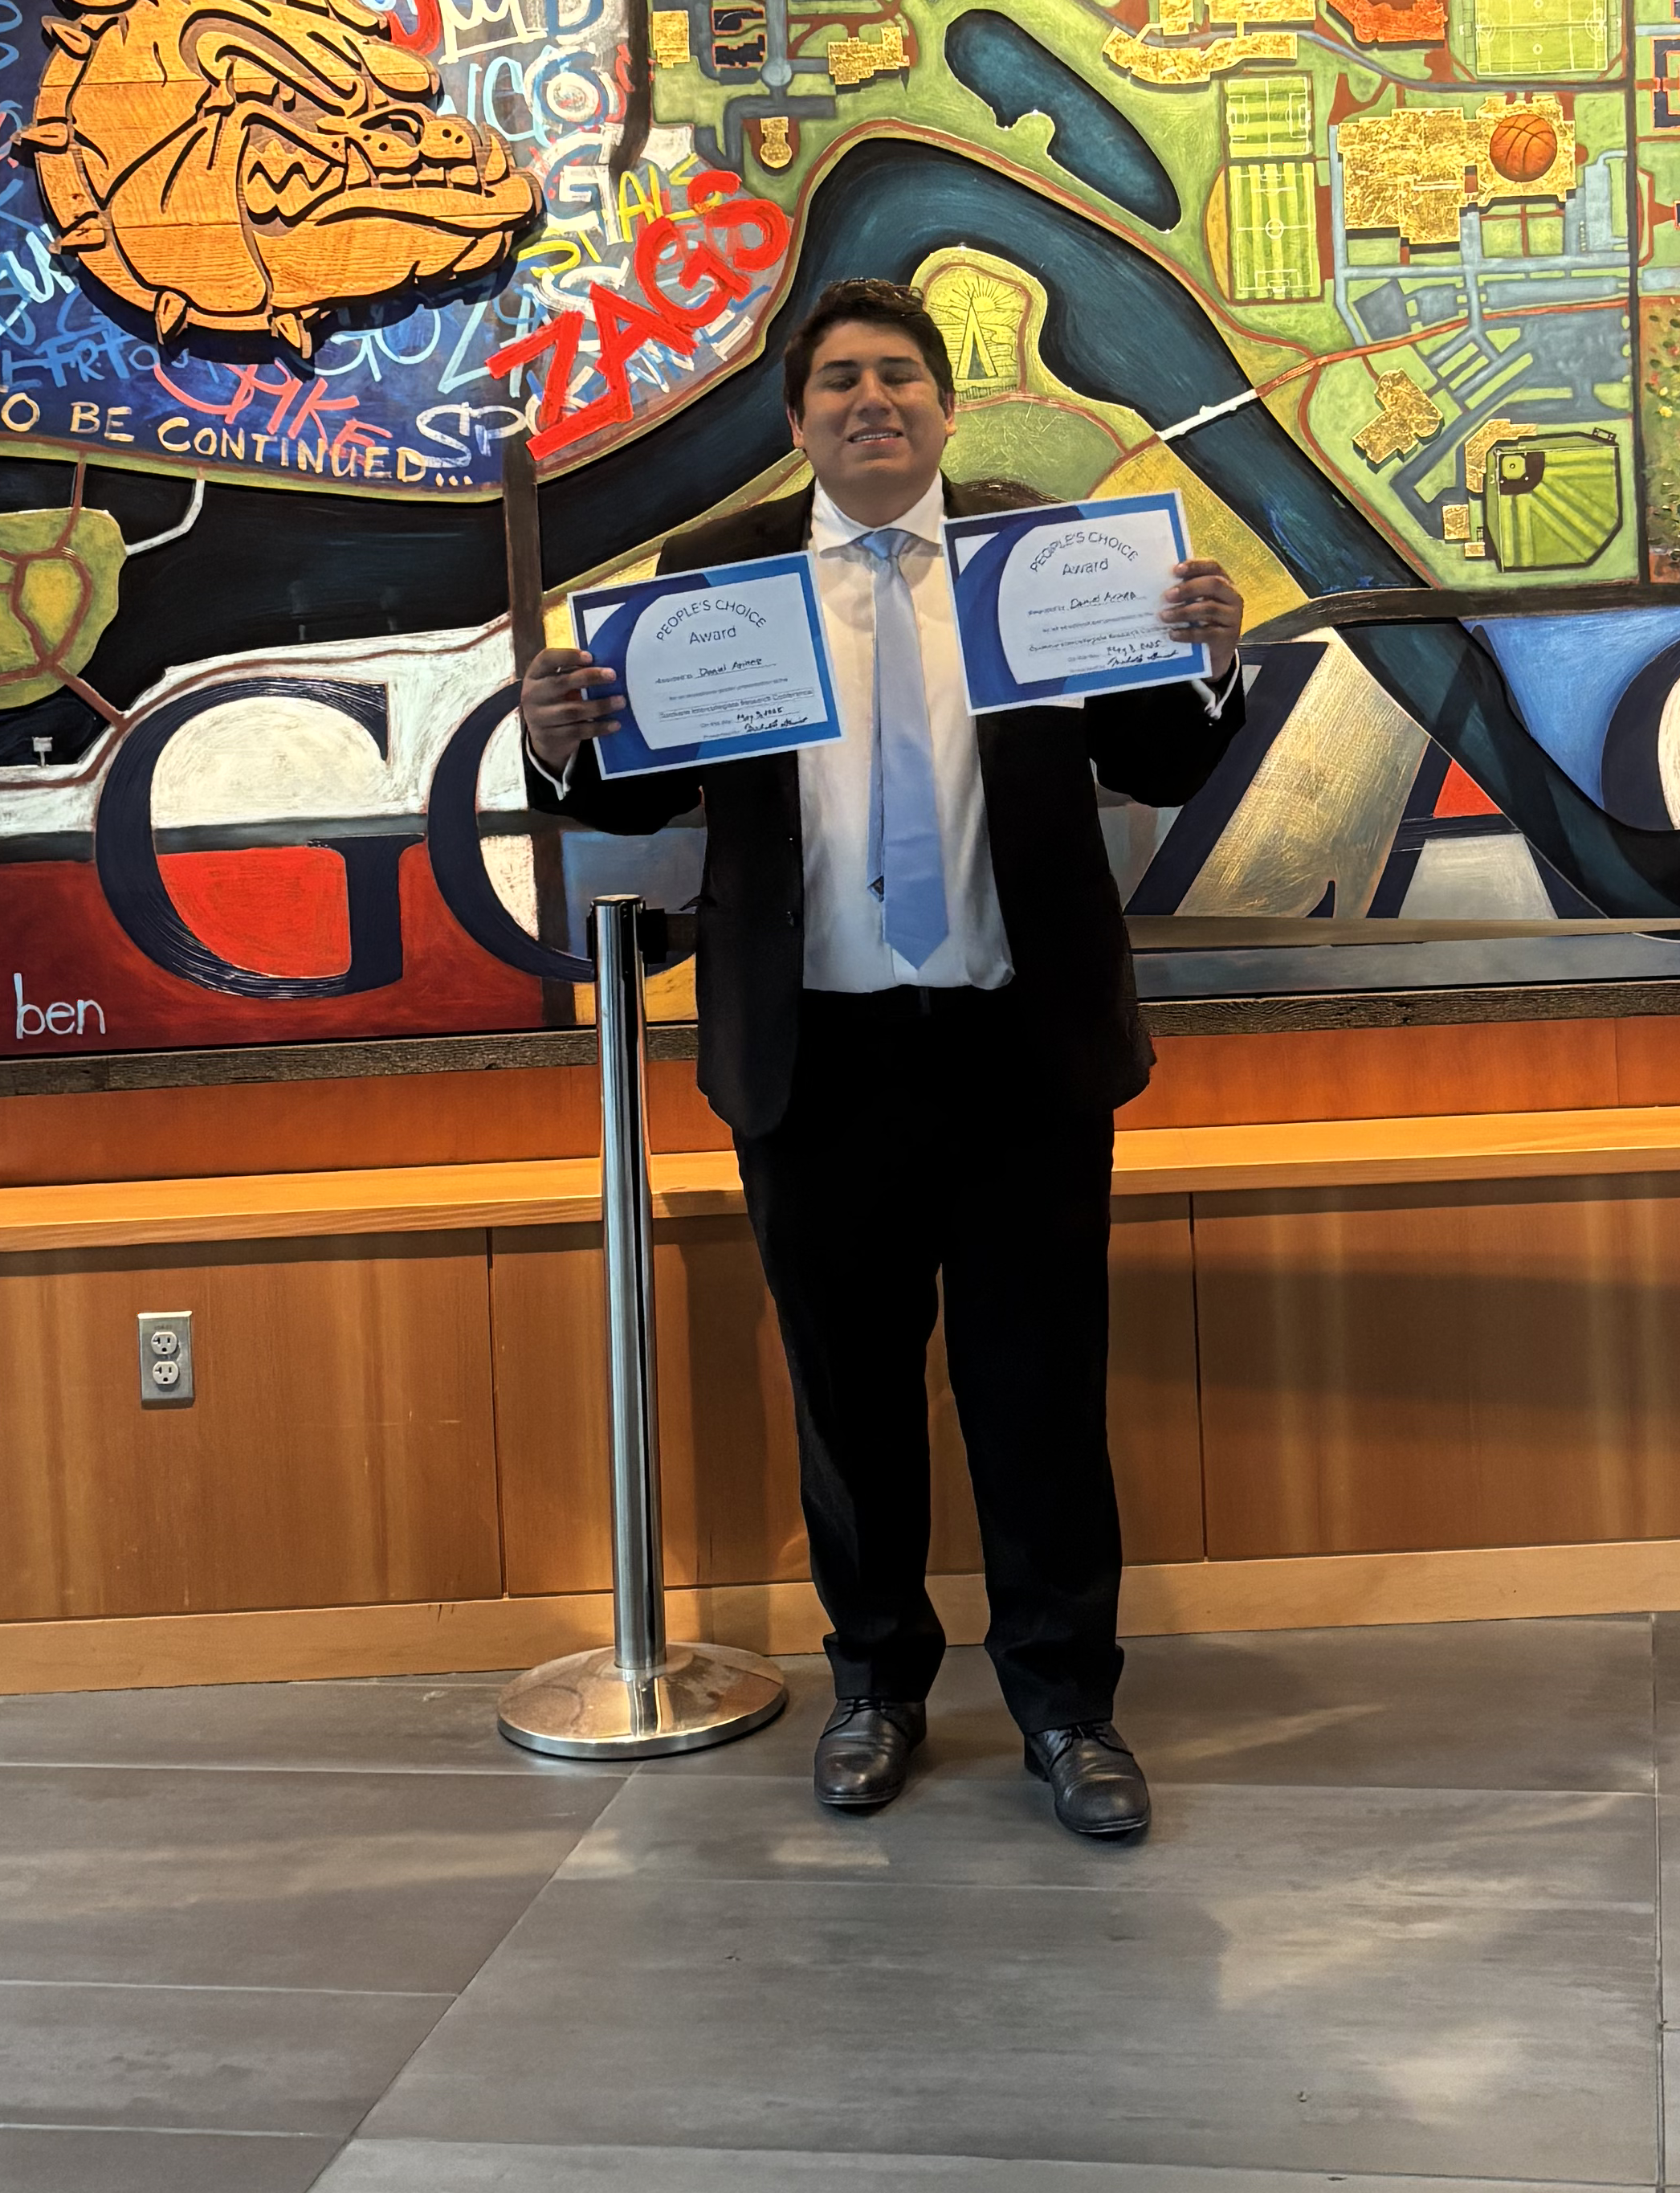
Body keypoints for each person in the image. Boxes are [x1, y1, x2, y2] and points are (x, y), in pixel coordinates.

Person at [517, 275, 1246, 1841]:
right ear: (798, 421)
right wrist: (564, 735)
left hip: (1018, 1054)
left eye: (900, 375)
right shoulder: (713, 579)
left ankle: (1067, 1708)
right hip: (814, 1060)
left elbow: (1159, 758)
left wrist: (1205, 657)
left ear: (943, 405)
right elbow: (629, 807)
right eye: (839, 378)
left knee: (1039, 1397)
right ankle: (875, 1690)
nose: (872, 400)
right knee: (847, 1404)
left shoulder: (1036, 555)